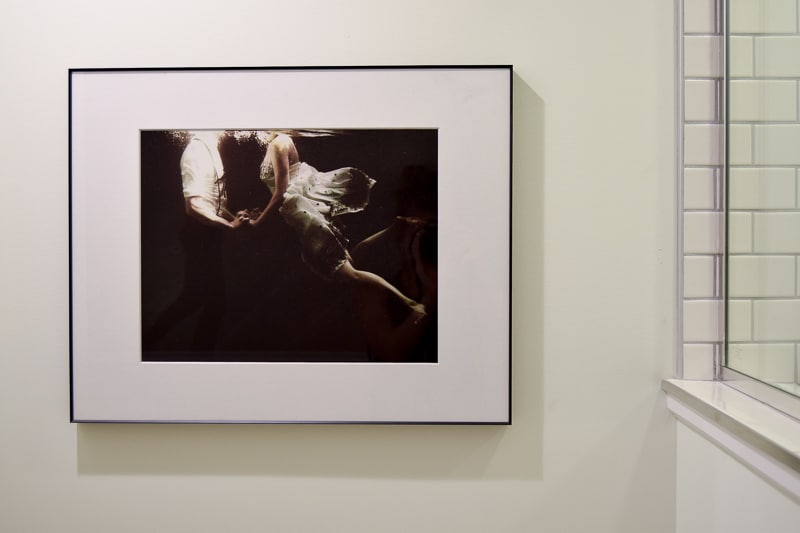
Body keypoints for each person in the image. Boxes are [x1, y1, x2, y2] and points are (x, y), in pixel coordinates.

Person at [244, 132, 429, 356]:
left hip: (305, 217)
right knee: (353, 267)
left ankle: (412, 305)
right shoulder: (280, 142)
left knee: (352, 275)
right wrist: (259, 214)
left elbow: (282, 190)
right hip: (300, 215)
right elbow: (286, 185)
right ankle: (397, 227)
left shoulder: (279, 143)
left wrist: (258, 222)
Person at [143, 131, 243, 354]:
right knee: (207, 302)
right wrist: (228, 226)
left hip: (207, 235)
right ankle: (149, 344)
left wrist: (233, 216)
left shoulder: (211, 148)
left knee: (204, 301)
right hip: (199, 236)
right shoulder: (197, 151)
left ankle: (157, 345)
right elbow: (194, 206)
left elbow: (210, 202)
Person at [351, 165, 438, 362]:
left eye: (436, 228)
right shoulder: (372, 256)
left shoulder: (461, 250)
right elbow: (390, 352)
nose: (431, 237)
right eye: (423, 228)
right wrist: (429, 300)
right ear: (400, 222)